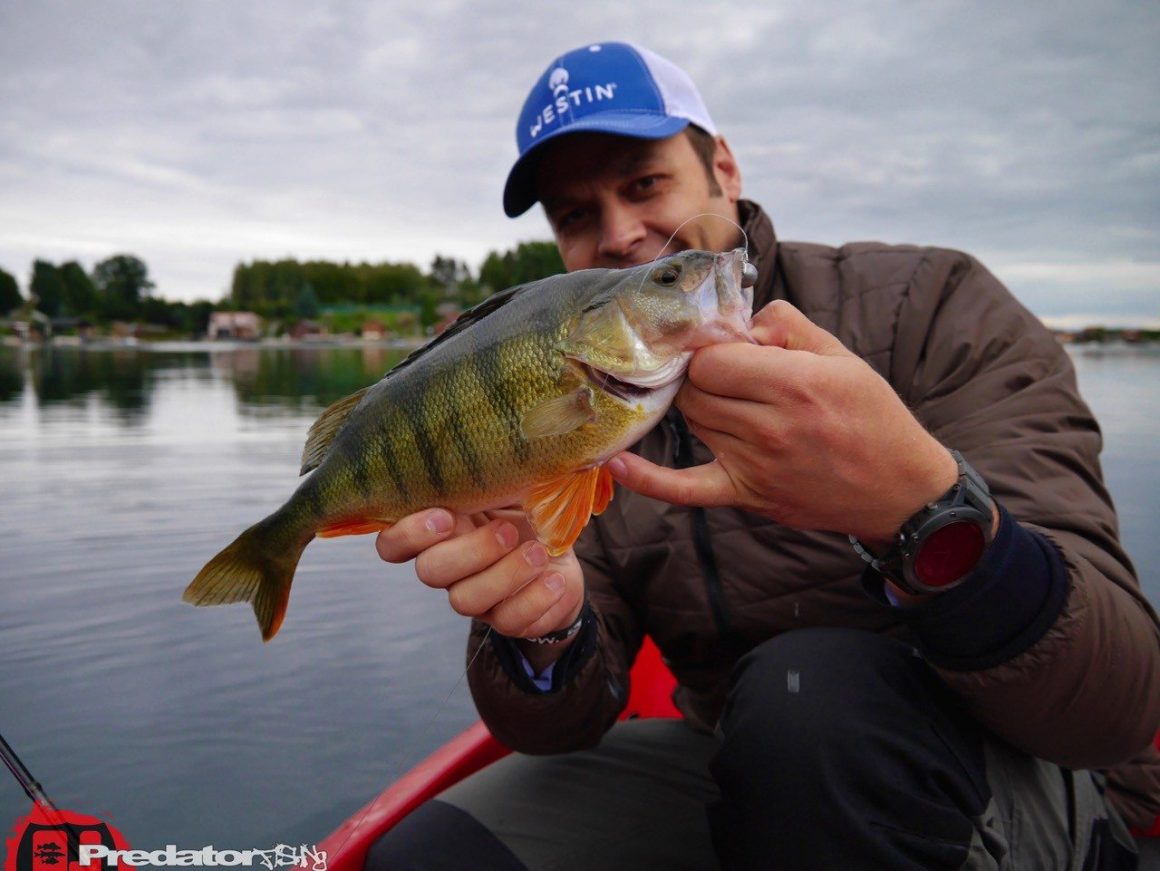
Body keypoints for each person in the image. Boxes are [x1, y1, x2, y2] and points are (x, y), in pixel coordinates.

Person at [370, 41, 1160, 869]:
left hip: (1020, 772)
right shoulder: (577, 409)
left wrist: (918, 509)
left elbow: (1117, 703)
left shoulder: (932, 309)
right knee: (436, 850)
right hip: (744, 765)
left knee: (807, 699)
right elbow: (560, 724)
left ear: (724, 168)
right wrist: (545, 631)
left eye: (645, 184)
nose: (620, 234)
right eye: (575, 216)